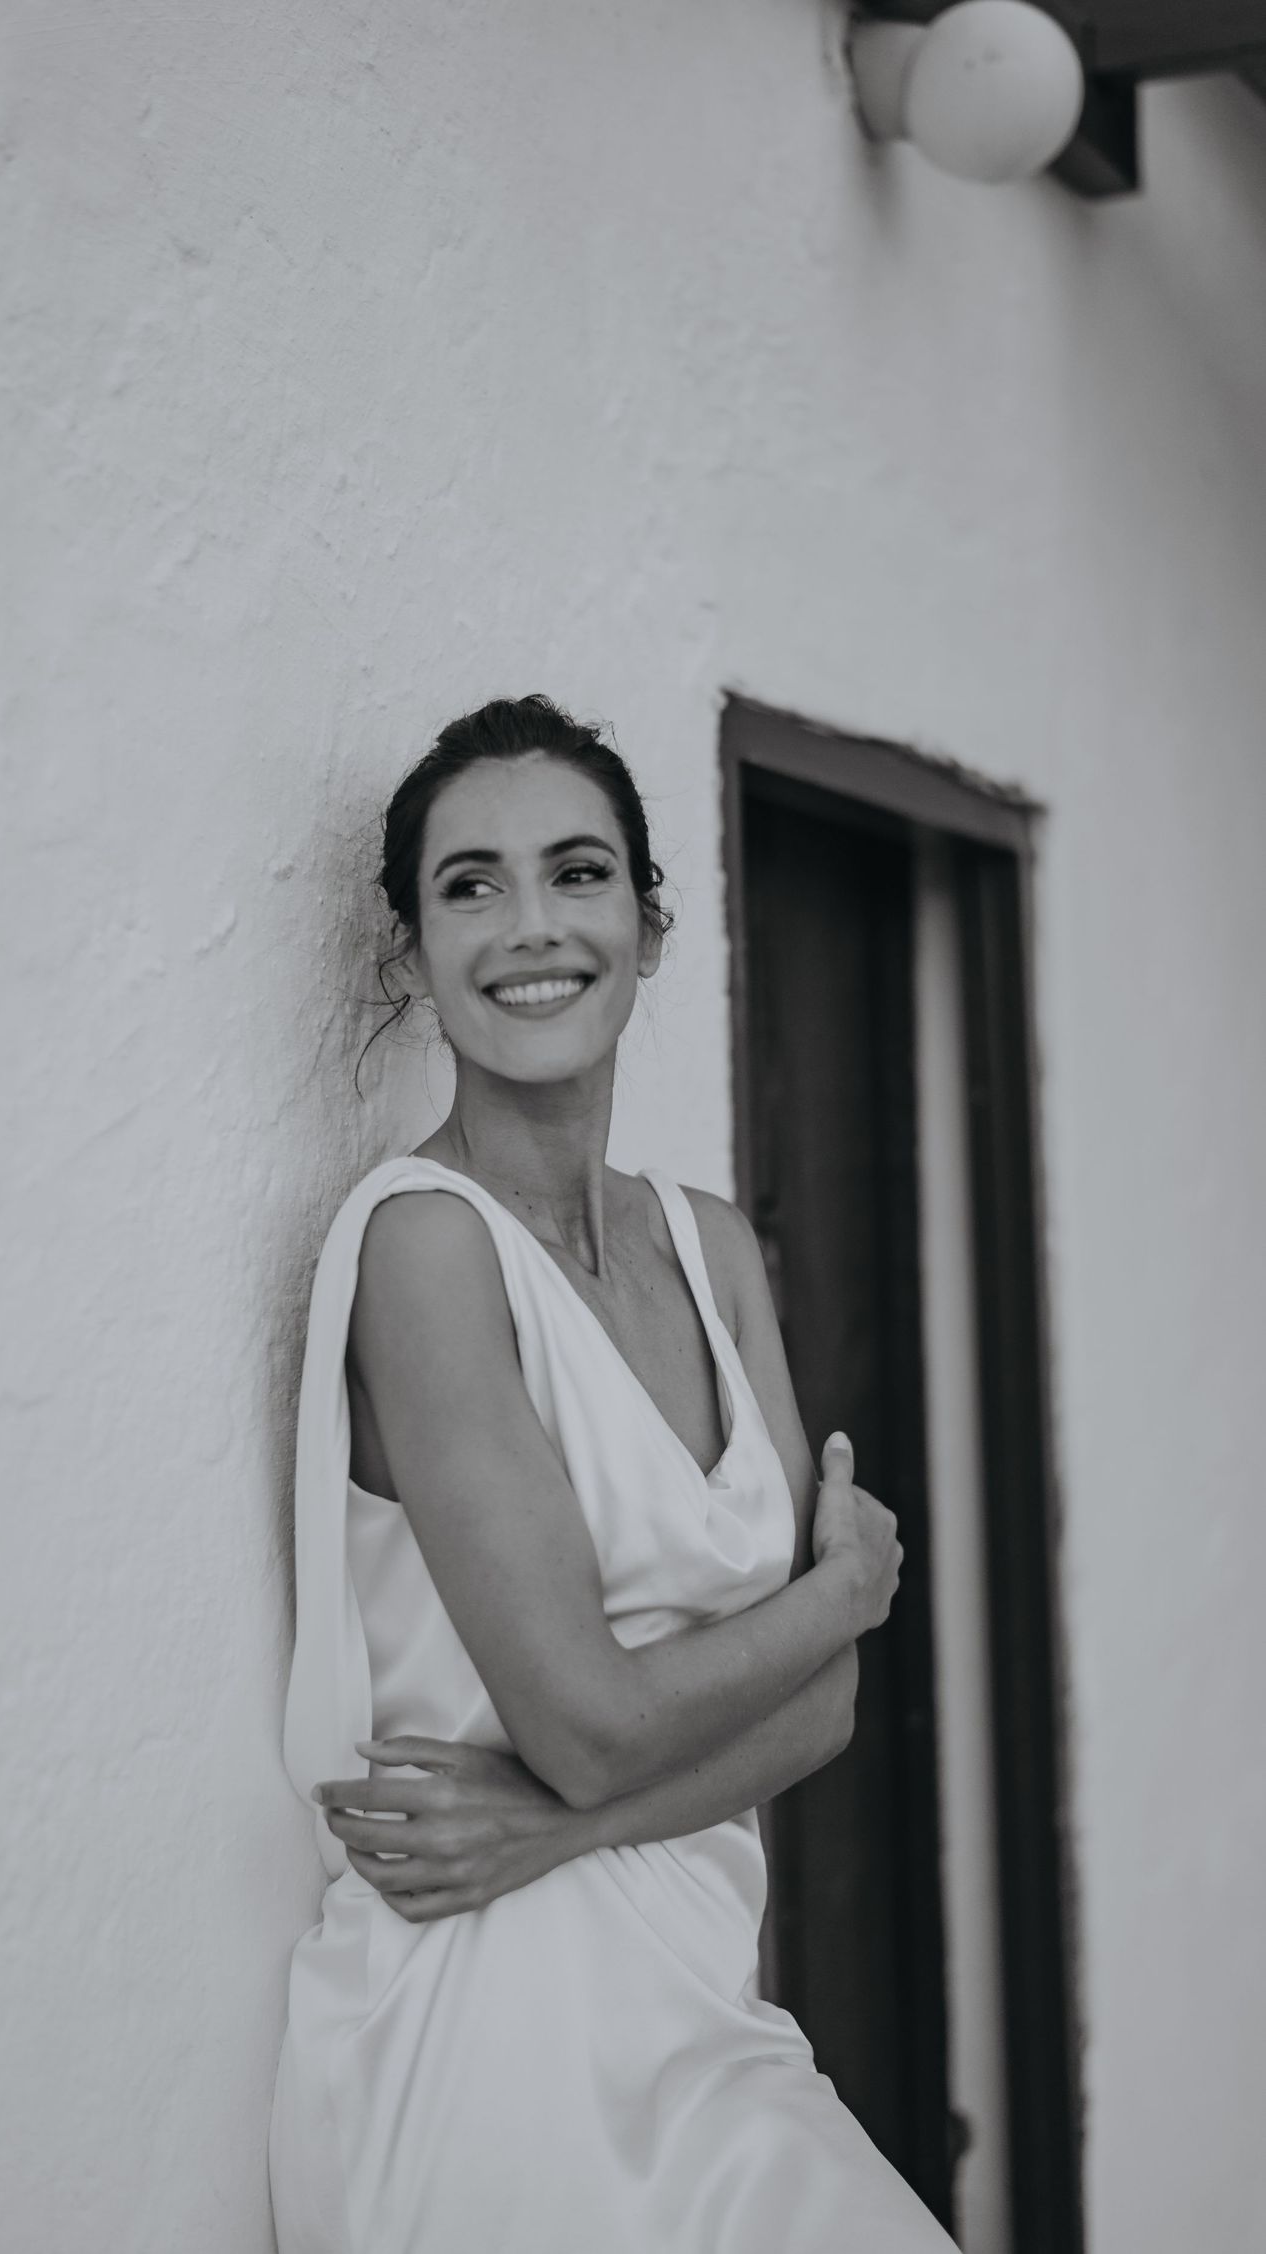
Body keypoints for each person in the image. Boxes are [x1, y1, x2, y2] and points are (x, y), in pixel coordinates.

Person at [270, 695, 956, 2252]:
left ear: (649, 926)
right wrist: (845, 1588)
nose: (532, 926)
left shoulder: (714, 1247)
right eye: (471, 884)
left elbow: (825, 1710)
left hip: (699, 2002)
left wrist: (563, 1825)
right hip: (494, 2034)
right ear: (411, 955)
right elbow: (587, 1720)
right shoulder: (422, 1246)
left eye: (578, 874)